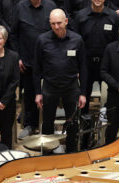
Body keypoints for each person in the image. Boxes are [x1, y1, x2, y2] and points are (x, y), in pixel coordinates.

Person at [34, 9, 87, 153]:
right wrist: (38, 93)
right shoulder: (42, 40)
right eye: (53, 24)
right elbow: (37, 69)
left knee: (72, 123)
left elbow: (83, 68)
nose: (56, 27)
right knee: (47, 123)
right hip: (50, 87)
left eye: (59, 23)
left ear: (66, 21)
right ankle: (47, 154)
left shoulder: (77, 40)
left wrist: (83, 93)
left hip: (71, 87)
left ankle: (70, 152)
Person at [10, 0, 56, 138]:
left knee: (50, 94)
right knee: (29, 94)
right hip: (28, 60)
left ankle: (48, 126)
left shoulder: (51, 7)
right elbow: (13, 34)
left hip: (49, 61)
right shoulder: (20, 7)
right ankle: (30, 124)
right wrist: (18, 57)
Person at [71, 0, 119, 114]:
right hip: (86, 64)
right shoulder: (81, 16)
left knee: (109, 99)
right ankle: (84, 131)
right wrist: (76, 67)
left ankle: (107, 129)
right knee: (83, 100)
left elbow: (117, 43)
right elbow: (75, 43)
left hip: (107, 65)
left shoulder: (113, 17)